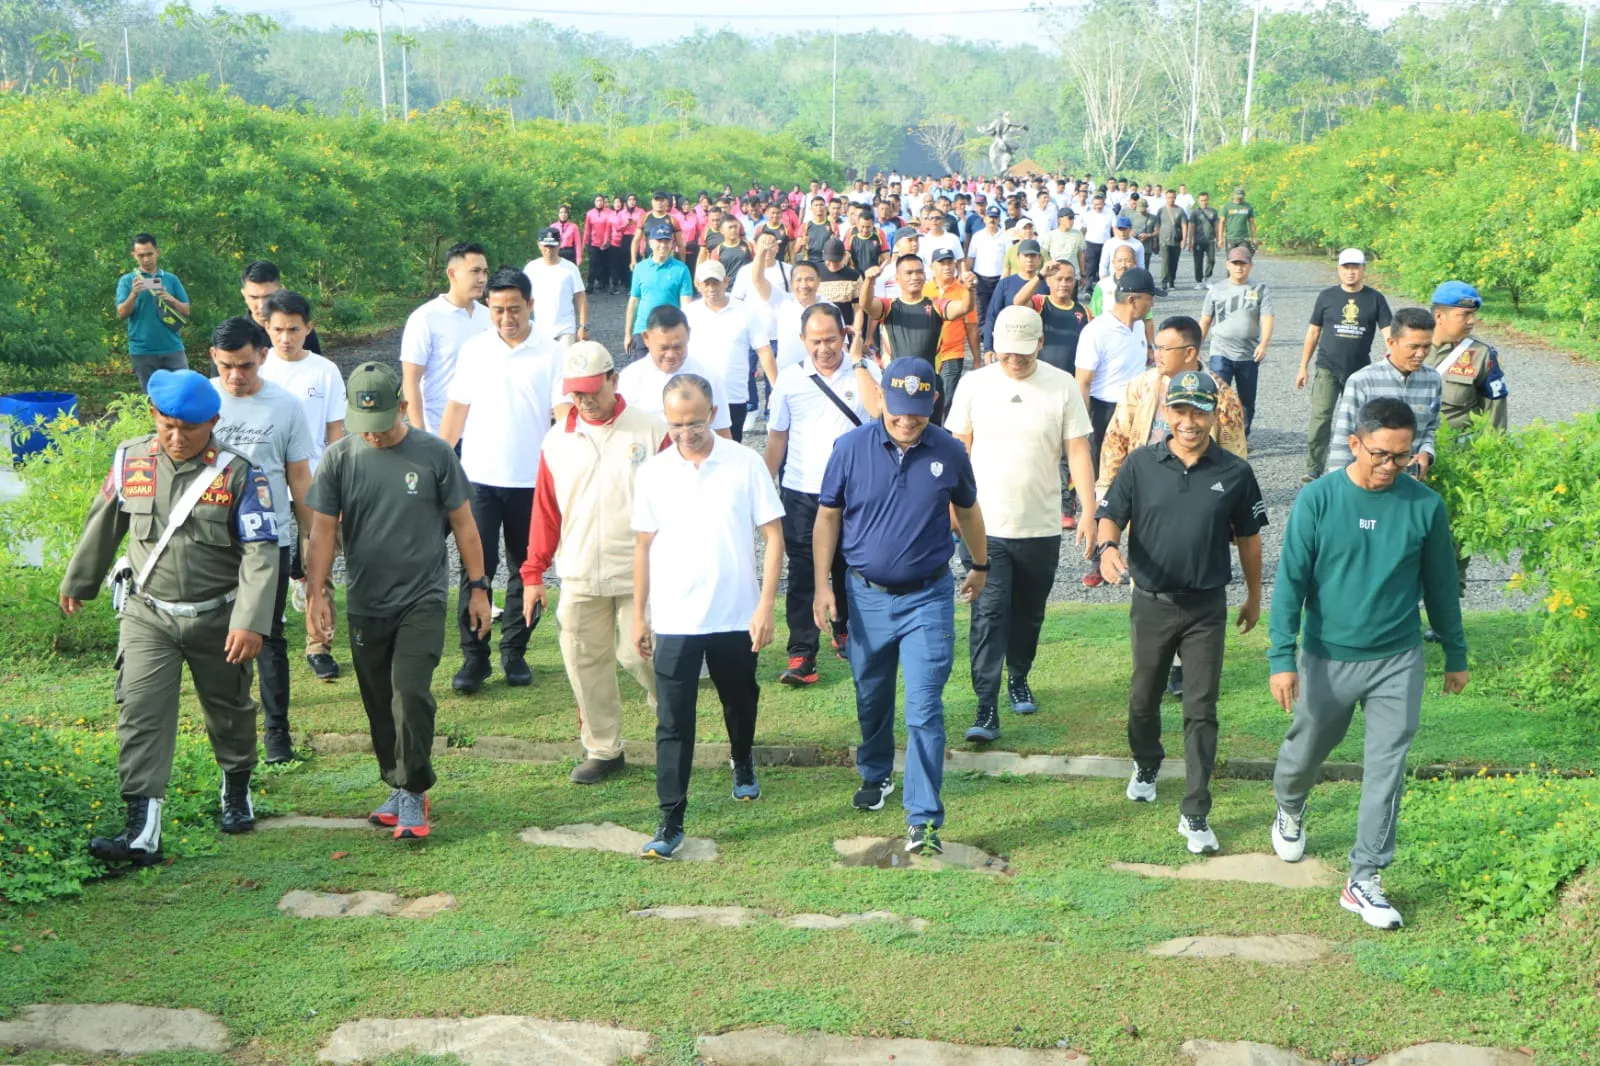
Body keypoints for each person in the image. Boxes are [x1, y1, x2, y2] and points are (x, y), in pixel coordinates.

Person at [60, 369, 280, 864]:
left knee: (229, 711)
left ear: (213, 422)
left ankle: (236, 789)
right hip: (148, 613)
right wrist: (78, 582)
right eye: (168, 426)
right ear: (154, 416)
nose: (177, 438)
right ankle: (142, 832)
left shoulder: (239, 473)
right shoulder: (131, 460)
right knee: (140, 711)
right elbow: (105, 521)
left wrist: (250, 620)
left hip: (219, 617)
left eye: (190, 428)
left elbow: (261, 552)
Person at [1267, 397, 1469, 930]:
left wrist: (1456, 651)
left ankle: (1366, 878)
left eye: (1402, 457)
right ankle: (1290, 805)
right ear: (1355, 443)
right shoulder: (1318, 500)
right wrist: (1281, 656)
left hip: (1398, 659)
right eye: (1381, 454)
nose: (1391, 466)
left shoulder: (1424, 506)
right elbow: (1290, 582)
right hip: (1328, 655)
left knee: (1388, 765)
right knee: (1308, 746)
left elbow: (1441, 586)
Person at [304, 362, 492, 841]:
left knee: (409, 693)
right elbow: (323, 530)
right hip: (367, 600)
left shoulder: (434, 454)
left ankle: (412, 790)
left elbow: (465, 524)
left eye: (383, 424)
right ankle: (396, 780)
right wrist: (318, 592)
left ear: (403, 407)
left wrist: (478, 586)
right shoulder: (339, 458)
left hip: (422, 598)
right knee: (378, 702)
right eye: (363, 426)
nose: (373, 436)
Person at [813, 357, 988, 856]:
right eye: (898, 410)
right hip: (865, 597)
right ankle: (875, 772)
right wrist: (824, 586)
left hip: (927, 599)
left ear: (933, 402)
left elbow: (969, 511)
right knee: (871, 697)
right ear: (882, 400)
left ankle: (924, 817)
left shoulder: (950, 451)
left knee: (924, 710)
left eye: (917, 411)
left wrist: (981, 565)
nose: (907, 421)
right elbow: (828, 518)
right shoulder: (849, 449)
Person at [1097, 372, 1266, 855]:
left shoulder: (1234, 472)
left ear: (1216, 414)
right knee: (1142, 699)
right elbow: (1112, 513)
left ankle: (1195, 811)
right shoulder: (1141, 464)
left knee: (1201, 708)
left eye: (1200, 412)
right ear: (1167, 413)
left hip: (1205, 608)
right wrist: (1108, 545)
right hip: (1151, 604)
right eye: (1181, 411)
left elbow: (1250, 541)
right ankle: (1146, 760)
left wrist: (1254, 596)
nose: (1190, 422)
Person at [630, 374, 784, 859]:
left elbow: (773, 536)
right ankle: (671, 818)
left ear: (713, 414)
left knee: (739, 700)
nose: (685, 433)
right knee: (673, 722)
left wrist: (765, 605)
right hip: (676, 619)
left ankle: (742, 759)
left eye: (694, 423)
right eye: (675, 425)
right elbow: (643, 544)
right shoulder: (652, 472)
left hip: (735, 614)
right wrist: (639, 614)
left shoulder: (745, 463)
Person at [946, 306, 1095, 743]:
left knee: (1028, 614)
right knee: (989, 615)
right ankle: (986, 706)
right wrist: (952, 507)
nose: (1015, 361)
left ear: (1039, 345)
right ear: (995, 347)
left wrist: (1087, 508)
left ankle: (1019, 675)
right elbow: (959, 446)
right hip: (985, 527)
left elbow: (1079, 451)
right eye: (1007, 353)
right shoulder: (974, 384)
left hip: (1041, 524)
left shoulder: (1061, 385)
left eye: (1023, 354)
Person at [520, 342, 666, 784]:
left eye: (592, 389)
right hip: (580, 571)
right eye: (576, 392)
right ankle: (603, 749)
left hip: (640, 571)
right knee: (585, 662)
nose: (585, 399)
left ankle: (669, 710)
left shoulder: (650, 429)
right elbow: (545, 510)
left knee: (638, 655)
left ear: (613, 380)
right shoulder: (555, 440)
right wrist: (533, 573)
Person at [437, 268, 562, 694]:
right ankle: (474, 657)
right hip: (479, 480)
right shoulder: (474, 350)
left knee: (526, 570)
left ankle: (515, 652)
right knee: (476, 569)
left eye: (514, 309)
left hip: (533, 481)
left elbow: (562, 416)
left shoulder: (552, 352)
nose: (506, 318)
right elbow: (457, 409)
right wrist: (439, 460)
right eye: (496, 310)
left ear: (531, 306)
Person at [208, 316, 313, 764]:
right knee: (216, 636)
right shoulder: (201, 400)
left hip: (269, 540)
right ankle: (229, 729)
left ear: (263, 356)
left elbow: (300, 479)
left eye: (246, 365)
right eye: (228, 365)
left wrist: (311, 541)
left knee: (268, 636)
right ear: (213, 358)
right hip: (211, 537)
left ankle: (277, 734)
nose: (236, 375)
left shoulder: (285, 406)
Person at [765, 303, 882, 686]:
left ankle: (845, 628)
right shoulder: (789, 380)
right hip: (802, 492)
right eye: (815, 341)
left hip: (855, 493)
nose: (823, 348)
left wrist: (861, 363)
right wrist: (765, 485)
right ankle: (802, 653)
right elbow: (777, 438)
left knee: (850, 566)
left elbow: (881, 418)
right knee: (801, 573)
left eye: (831, 339)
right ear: (802, 341)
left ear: (844, 335)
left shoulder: (864, 372)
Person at [259, 290, 345, 681]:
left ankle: (318, 642)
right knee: (261, 560)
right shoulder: (257, 369)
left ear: (308, 328)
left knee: (318, 560)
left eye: (294, 329)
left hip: (313, 479)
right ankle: (260, 632)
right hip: (265, 481)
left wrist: (337, 485)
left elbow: (335, 434)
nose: (286, 338)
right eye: (278, 329)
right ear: (266, 328)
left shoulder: (324, 371)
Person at [1423, 281, 1510, 614]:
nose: (1472, 321)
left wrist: (1490, 464)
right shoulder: (1412, 344)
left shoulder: (1481, 355)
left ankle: (1445, 612)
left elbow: (1495, 415)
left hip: (1458, 460)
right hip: (1411, 460)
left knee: (1455, 538)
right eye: (1465, 315)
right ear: (1440, 316)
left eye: (1474, 315)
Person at [1297, 249, 1392, 483]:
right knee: (1320, 417)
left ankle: (1358, 466)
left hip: (1360, 371)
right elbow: (1313, 331)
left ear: (1363, 270)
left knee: (1362, 420)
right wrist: (1303, 366)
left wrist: (1391, 351)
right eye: (1346, 267)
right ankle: (1314, 469)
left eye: (1356, 267)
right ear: (1339, 269)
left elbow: (1388, 331)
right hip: (1327, 367)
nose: (1351, 272)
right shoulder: (1327, 296)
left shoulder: (1375, 298)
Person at [1325, 307, 1442, 476]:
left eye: (1427, 347)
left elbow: (1431, 428)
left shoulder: (1432, 380)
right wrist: (1338, 486)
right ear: (1391, 343)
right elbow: (1344, 437)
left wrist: (1427, 453)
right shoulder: (1362, 381)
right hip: (1369, 480)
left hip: (1410, 483)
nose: (1421, 354)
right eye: (1413, 347)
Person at [400, 242, 491, 435]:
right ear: (452, 273)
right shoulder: (425, 318)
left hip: (485, 432)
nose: (482, 279)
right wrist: (419, 433)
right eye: (475, 271)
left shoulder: (490, 316)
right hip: (442, 432)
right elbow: (410, 381)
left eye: (484, 272)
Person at [1076, 266, 1156, 476]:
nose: (1152, 304)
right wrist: (1083, 428)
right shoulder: (1096, 332)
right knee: (1104, 475)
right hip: (1104, 413)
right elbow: (1082, 382)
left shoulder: (1139, 326)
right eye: (1149, 298)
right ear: (1132, 300)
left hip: (1138, 409)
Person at [688, 259, 774, 444]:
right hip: (696, 396)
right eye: (706, 283)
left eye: (715, 282)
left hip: (733, 396)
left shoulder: (746, 312)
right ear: (697, 284)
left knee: (731, 452)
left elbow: (764, 351)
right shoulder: (688, 314)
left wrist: (776, 388)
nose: (711, 288)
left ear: (726, 281)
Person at [615, 305, 733, 435]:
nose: (670, 355)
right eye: (663, 348)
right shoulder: (629, 379)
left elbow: (722, 431)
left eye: (677, 347)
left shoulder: (708, 374)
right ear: (646, 338)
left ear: (688, 335)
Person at [1199, 246, 1275, 434]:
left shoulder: (1259, 289)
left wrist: (1264, 344)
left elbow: (1267, 318)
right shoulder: (1216, 290)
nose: (1239, 268)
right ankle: (1215, 437)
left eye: (1243, 263)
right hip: (1220, 351)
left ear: (1250, 265)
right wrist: (1195, 346)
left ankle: (1241, 438)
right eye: (1235, 263)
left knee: (1246, 400)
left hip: (1248, 354)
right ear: (1227, 265)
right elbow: (1206, 319)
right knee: (1218, 396)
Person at [116, 233, 192, 389]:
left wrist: (170, 298)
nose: (146, 259)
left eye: (149, 254)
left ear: (157, 252)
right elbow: (121, 313)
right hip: (142, 350)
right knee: (152, 397)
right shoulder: (127, 280)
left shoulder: (171, 279)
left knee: (183, 390)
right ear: (134, 256)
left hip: (172, 347)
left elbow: (186, 310)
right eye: (141, 255)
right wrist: (133, 294)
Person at [624, 223, 695, 364]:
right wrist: (627, 333)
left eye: (667, 241)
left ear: (672, 243)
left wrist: (687, 333)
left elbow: (686, 305)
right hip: (642, 329)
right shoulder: (640, 268)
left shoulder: (681, 269)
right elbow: (634, 302)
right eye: (659, 241)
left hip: (670, 331)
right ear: (650, 243)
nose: (663, 245)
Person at [924, 248, 980, 418]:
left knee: (947, 399)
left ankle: (946, 435)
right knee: (927, 397)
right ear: (932, 266)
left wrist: (977, 360)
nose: (947, 267)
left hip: (952, 353)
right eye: (942, 263)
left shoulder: (964, 291)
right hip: (927, 353)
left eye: (950, 263)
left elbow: (971, 327)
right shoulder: (924, 290)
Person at [523, 227, 589, 346]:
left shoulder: (570, 269)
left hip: (565, 328)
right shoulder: (531, 269)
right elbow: (522, 298)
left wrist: (583, 325)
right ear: (539, 245)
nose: (549, 250)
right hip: (540, 329)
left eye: (552, 246)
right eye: (546, 246)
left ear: (560, 245)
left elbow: (581, 296)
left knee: (564, 362)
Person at [980, 238, 1043, 361]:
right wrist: (988, 348)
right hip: (1010, 343)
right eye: (1026, 256)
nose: (1029, 259)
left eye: (1033, 256)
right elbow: (992, 315)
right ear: (1018, 258)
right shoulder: (1006, 283)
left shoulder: (1046, 284)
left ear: (1039, 258)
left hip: (1038, 343)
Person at [241, 260, 322, 353]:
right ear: (244, 294)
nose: (261, 305)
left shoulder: (299, 328)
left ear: (282, 291)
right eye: (254, 297)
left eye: (268, 297)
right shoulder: (237, 336)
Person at [1154, 189, 1190, 294]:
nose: (1171, 199)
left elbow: (1184, 225)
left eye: (1173, 197)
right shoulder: (1161, 210)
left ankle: (1172, 280)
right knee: (1165, 261)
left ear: (1175, 198)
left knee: (1174, 262)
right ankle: (1164, 282)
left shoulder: (1180, 211)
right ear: (1166, 198)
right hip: (1164, 240)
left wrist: (1184, 239)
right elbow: (1157, 225)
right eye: (1169, 197)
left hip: (1176, 240)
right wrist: (1156, 240)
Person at [1079, 194, 1115, 293]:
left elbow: (1114, 228)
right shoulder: (1088, 214)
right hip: (1090, 243)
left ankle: (1101, 289)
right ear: (1092, 204)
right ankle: (1088, 289)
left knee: (1103, 267)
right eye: (1095, 204)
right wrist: (1082, 242)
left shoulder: (1110, 213)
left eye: (1099, 204)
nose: (1097, 207)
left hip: (1105, 244)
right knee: (1090, 267)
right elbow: (1083, 229)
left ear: (1103, 204)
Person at [1040, 209, 1086, 284]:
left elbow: (1080, 255)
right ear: (1060, 220)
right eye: (1069, 218)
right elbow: (1044, 255)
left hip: (1073, 275)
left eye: (1073, 218)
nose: (1072, 221)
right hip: (1056, 275)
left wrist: (1083, 275)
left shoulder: (1078, 234)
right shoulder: (1050, 235)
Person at [1187, 192, 1221, 290]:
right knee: (1198, 262)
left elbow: (1216, 226)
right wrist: (1191, 240)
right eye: (1202, 200)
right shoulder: (1195, 213)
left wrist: (1218, 239)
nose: (1204, 202)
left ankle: (1207, 278)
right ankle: (1199, 281)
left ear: (1208, 200)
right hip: (1198, 240)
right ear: (1198, 201)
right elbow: (1192, 227)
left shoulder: (1213, 212)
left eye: (1205, 200)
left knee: (1211, 260)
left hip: (1210, 240)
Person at [583, 194, 612, 294]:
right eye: (597, 201)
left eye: (601, 200)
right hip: (593, 242)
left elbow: (609, 228)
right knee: (593, 263)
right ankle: (590, 284)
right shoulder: (590, 213)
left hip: (606, 242)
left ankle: (605, 284)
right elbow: (587, 229)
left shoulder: (609, 213)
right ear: (594, 202)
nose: (599, 202)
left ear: (604, 202)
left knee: (605, 264)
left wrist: (606, 240)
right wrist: (585, 242)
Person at [1224, 187, 1257, 251]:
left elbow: (1252, 223)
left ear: (1244, 196)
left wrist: (1254, 238)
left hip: (1244, 238)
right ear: (1233, 195)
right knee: (1230, 259)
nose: (1238, 199)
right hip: (1230, 238)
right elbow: (1222, 222)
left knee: (1244, 257)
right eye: (1237, 197)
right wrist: (1220, 239)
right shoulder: (1227, 206)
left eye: (1240, 197)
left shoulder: (1248, 206)